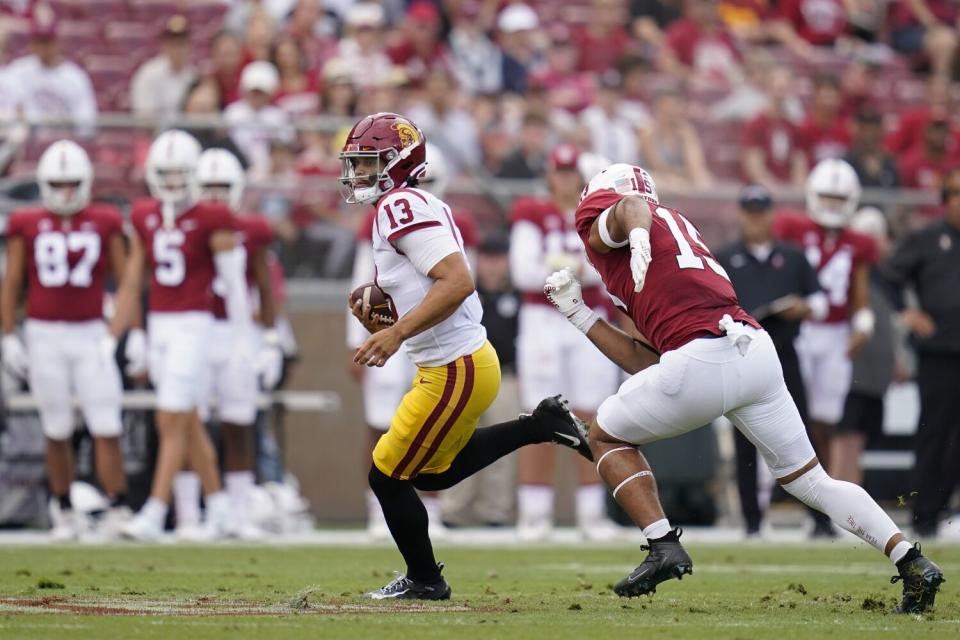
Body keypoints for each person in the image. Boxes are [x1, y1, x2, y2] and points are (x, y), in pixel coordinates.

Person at [544, 162, 943, 613]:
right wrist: (580, 314)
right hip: (752, 352)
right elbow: (647, 361)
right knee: (812, 480)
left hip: (701, 358)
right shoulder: (677, 228)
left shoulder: (628, 218)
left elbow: (630, 207)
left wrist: (633, 234)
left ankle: (662, 544)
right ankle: (912, 561)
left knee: (603, 435)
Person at [340, 112, 592, 600]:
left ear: (398, 164)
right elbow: (429, 286)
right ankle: (538, 426)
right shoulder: (412, 202)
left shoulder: (399, 206)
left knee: (387, 476)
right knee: (435, 470)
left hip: (454, 367)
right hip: (459, 362)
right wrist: (385, 307)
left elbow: (457, 281)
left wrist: (396, 336)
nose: (359, 174)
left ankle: (426, 579)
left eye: (369, 164)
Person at [114, 130, 251, 541]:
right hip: (159, 323)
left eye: (180, 174)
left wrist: (243, 340)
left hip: (196, 323)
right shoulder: (143, 214)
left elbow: (235, 284)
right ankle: (221, 507)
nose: (173, 182)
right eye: (165, 174)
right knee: (185, 420)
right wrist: (127, 332)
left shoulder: (213, 217)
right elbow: (134, 276)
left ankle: (154, 512)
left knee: (170, 416)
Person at [1, 140, 135, 540]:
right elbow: (12, 282)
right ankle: (63, 509)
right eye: (56, 183)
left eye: (71, 183)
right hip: (44, 333)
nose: (64, 192)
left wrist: (124, 333)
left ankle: (117, 506)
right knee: (55, 426)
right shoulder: (25, 223)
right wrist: (8, 335)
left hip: (91, 331)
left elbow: (126, 279)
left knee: (105, 421)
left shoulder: (105, 219)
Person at [345, 143, 468, 540]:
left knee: (435, 422)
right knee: (381, 417)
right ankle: (377, 505)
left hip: (431, 330)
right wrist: (357, 339)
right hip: (389, 329)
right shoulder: (383, 215)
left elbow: (460, 283)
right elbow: (363, 281)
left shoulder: (437, 216)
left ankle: (430, 503)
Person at [510, 144, 622, 541]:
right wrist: (573, 270)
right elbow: (523, 273)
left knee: (594, 417)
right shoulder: (532, 213)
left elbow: (607, 270)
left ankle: (591, 514)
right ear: (549, 175)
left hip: (589, 319)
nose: (564, 180)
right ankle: (534, 512)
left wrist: (565, 269)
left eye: (570, 172)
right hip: (543, 318)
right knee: (538, 417)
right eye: (558, 172)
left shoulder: (595, 215)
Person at [171, 148, 283, 540]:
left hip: (238, 334)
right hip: (195, 330)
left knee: (239, 424)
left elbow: (263, 286)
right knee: (189, 423)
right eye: (209, 188)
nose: (216, 195)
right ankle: (189, 515)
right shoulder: (182, 226)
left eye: (223, 187)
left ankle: (238, 513)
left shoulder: (252, 229)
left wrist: (270, 339)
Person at [772, 159, 878, 537]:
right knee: (792, 415)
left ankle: (825, 507)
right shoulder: (793, 228)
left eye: (839, 198)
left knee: (827, 421)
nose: (832, 205)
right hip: (800, 332)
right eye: (826, 197)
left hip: (834, 333)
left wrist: (863, 325)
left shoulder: (859, 242)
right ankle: (801, 499)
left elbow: (859, 294)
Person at [715, 185, 827, 538]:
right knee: (745, 439)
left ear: (771, 216)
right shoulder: (724, 257)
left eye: (761, 213)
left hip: (784, 353)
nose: (755, 220)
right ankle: (752, 522)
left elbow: (821, 301)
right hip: (741, 356)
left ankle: (819, 519)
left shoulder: (792, 258)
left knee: (799, 435)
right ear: (741, 216)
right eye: (749, 213)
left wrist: (803, 308)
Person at [881, 168, 960, 537]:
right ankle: (925, 515)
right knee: (934, 434)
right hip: (939, 354)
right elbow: (888, 275)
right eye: (956, 192)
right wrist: (908, 312)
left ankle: (947, 508)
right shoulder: (927, 239)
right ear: (945, 201)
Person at [833, 208, 900, 488]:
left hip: (874, 370)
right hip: (851, 366)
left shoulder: (889, 277)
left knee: (856, 437)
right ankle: (837, 495)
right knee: (843, 434)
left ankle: (851, 495)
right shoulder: (847, 273)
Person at [5, 13, 97, 135]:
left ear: (57, 43)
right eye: (38, 42)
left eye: (47, 42)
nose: (43, 47)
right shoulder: (18, 71)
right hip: (30, 142)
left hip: (66, 140)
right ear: (32, 44)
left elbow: (87, 122)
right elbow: (10, 107)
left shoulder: (75, 76)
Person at [129, 15, 197, 123]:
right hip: (156, 134)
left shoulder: (193, 75)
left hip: (184, 134)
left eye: (182, 43)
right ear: (165, 45)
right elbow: (144, 117)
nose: (179, 49)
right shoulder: (149, 74)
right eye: (174, 43)